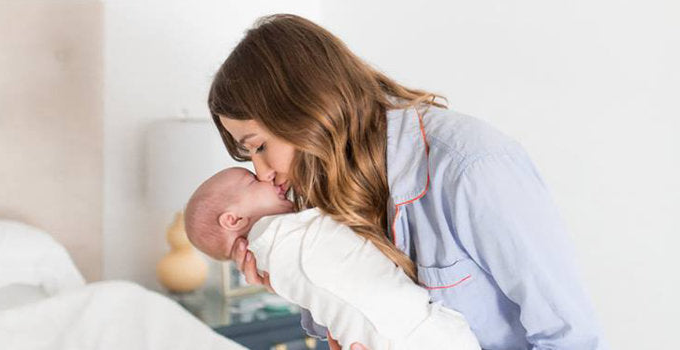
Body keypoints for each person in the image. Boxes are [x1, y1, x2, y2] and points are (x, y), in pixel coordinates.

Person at [207, 13, 607, 350]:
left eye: (258, 146)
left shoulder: (471, 165)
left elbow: (572, 338)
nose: (260, 172)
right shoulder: (318, 209)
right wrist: (298, 283)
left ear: (302, 110)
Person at [184, 167, 480, 350]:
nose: (266, 176)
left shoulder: (276, 250)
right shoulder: (274, 234)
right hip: (407, 333)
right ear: (233, 219)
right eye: (252, 181)